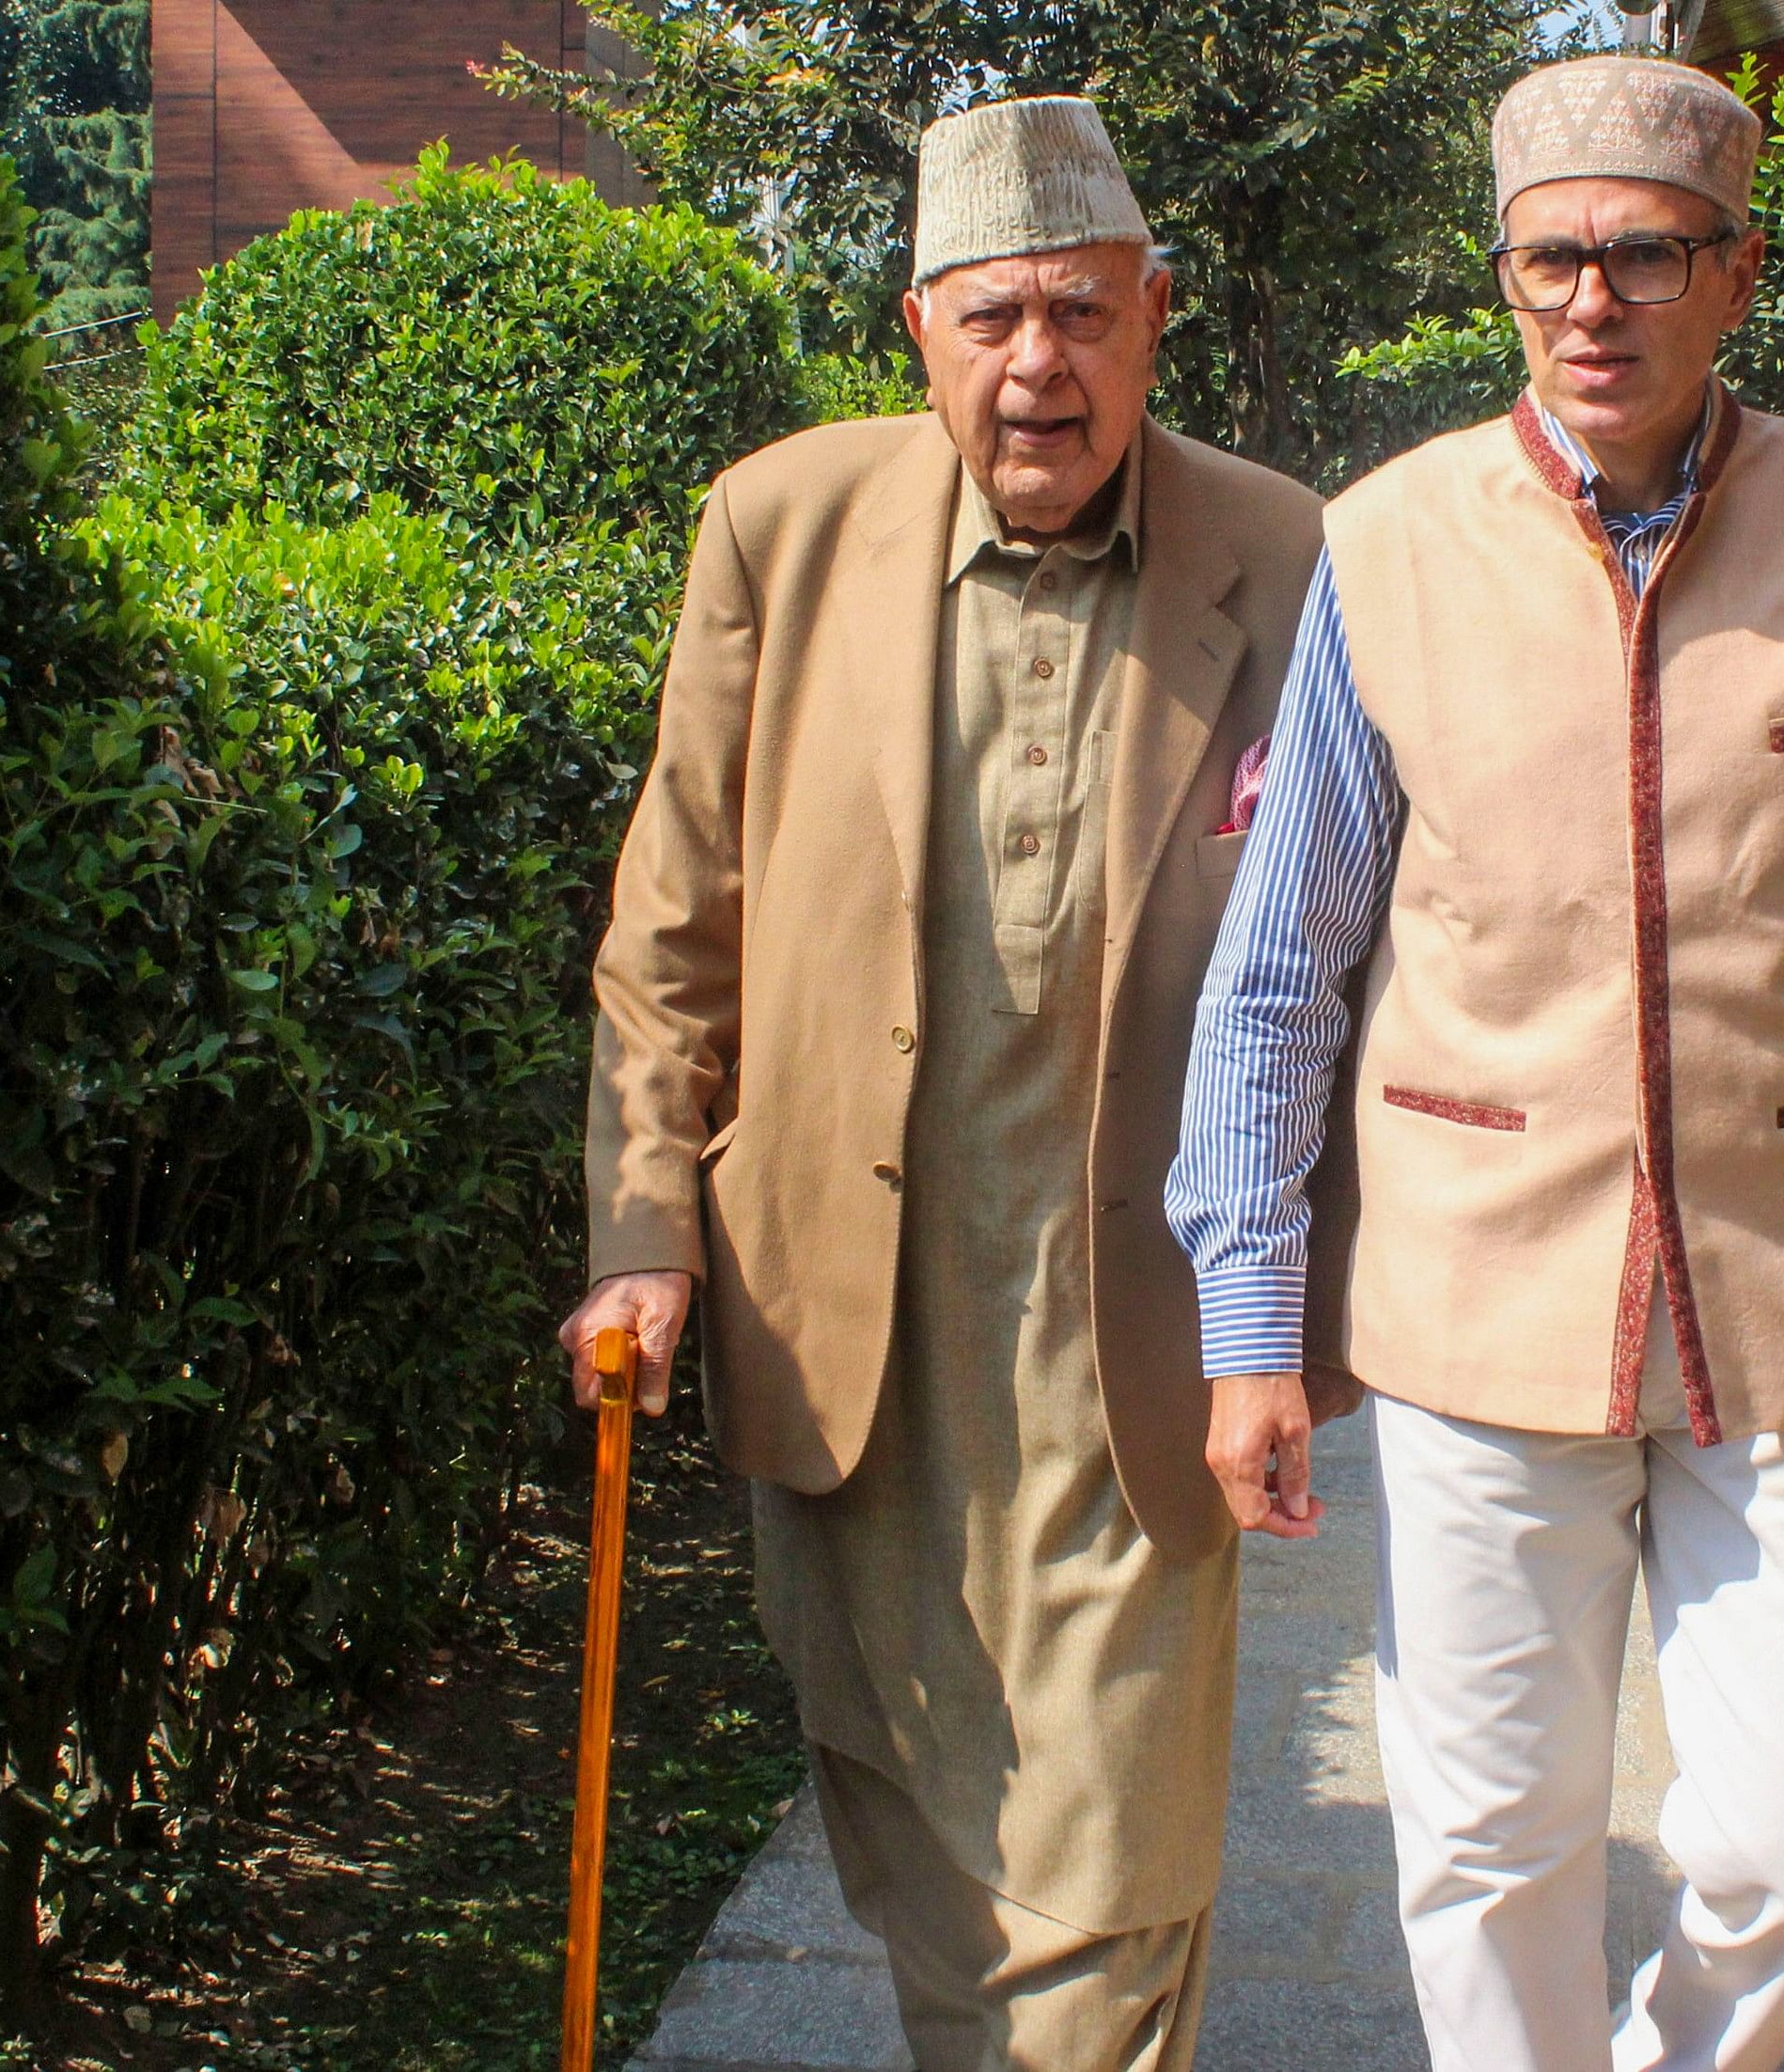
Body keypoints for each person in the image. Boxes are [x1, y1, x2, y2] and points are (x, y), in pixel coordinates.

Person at [1164, 55, 1784, 2072]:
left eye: (1646, 256)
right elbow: (1279, 969)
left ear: (1735, 272)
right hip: (1479, 1285)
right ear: (1503, 274)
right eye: (1551, 260)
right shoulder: (1390, 544)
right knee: (1488, 1836)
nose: (1594, 302)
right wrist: (1249, 1319)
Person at [565, 94, 1337, 2071]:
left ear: (1154, 313)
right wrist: (649, 1230)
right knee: (922, 1844)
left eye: (1082, 312)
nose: (1038, 365)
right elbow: (675, 928)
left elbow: (1359, 940)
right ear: (916, 328)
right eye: (991, 317)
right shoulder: (779, 526)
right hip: (856, 1315)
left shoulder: (1286, 554)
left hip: (1140, 1337)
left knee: (1108, 1874)